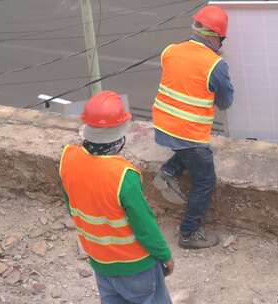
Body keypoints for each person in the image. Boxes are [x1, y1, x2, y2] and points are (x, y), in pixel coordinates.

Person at [59, 91, 174, 303]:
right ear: (120, 135)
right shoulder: (123, 176)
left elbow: (72, 207)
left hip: (101, 262)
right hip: (136, 265)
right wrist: (165, 256)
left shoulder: (67, 159)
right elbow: (145, 226)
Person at [151, 5, 234, 249]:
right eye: (222, 38)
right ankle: (188, 233)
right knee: (205, 180)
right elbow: (226, 102)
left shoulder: (170, 51)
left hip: (163, 124)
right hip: (187, 131)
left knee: (192, 152)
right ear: (214, 36)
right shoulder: (215, 65)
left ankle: (168, 172)